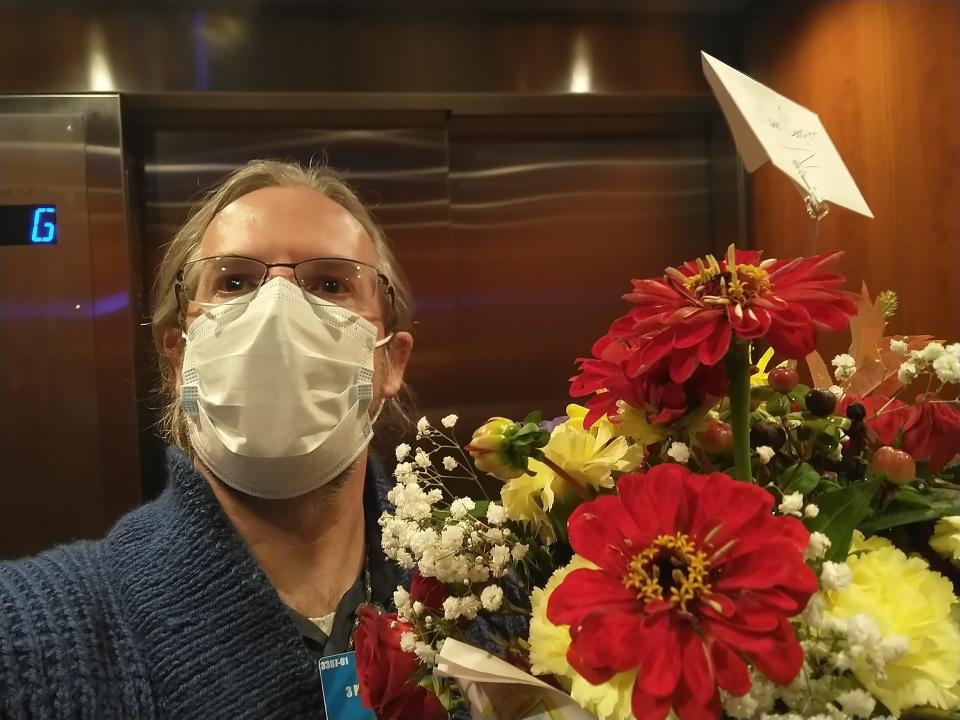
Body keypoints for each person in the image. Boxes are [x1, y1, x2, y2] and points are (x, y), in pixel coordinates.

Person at [0, 160, 415, 718]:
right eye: (235, 282)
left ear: (390, 359)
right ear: (179, 356)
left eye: (330, 283)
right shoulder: (31, 634)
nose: (278, 313)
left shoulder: (499, 597)